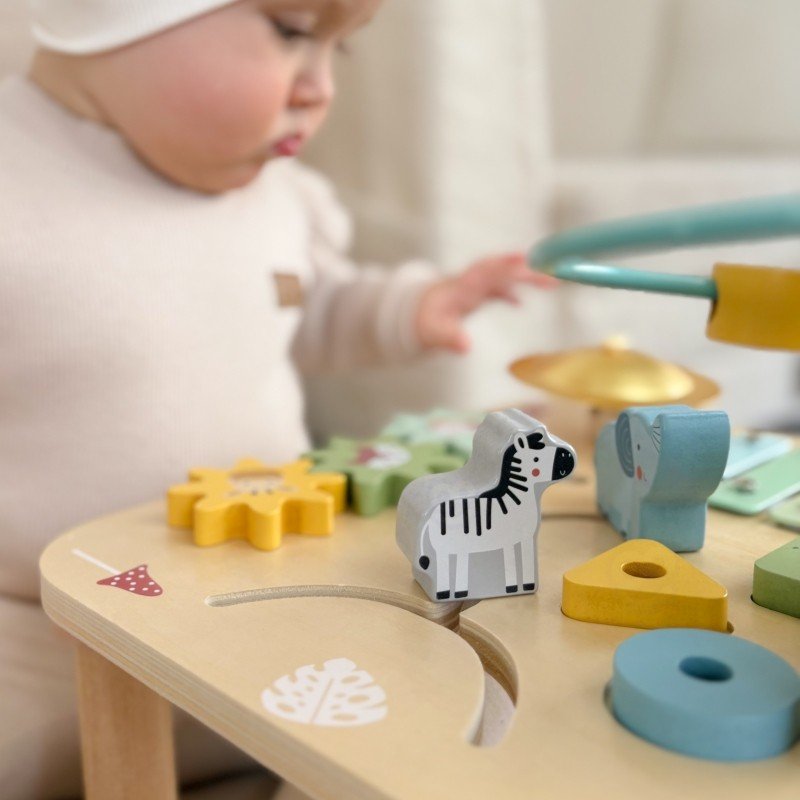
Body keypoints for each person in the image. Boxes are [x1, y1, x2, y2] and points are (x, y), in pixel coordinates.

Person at [0, 1, 552, 797]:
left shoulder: (281, 198)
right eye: (293, 33)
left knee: (469, 711)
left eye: (340, 54)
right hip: (39, 621)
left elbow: (310, 310)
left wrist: (412, 307)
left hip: (271, 588)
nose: (319, 89)